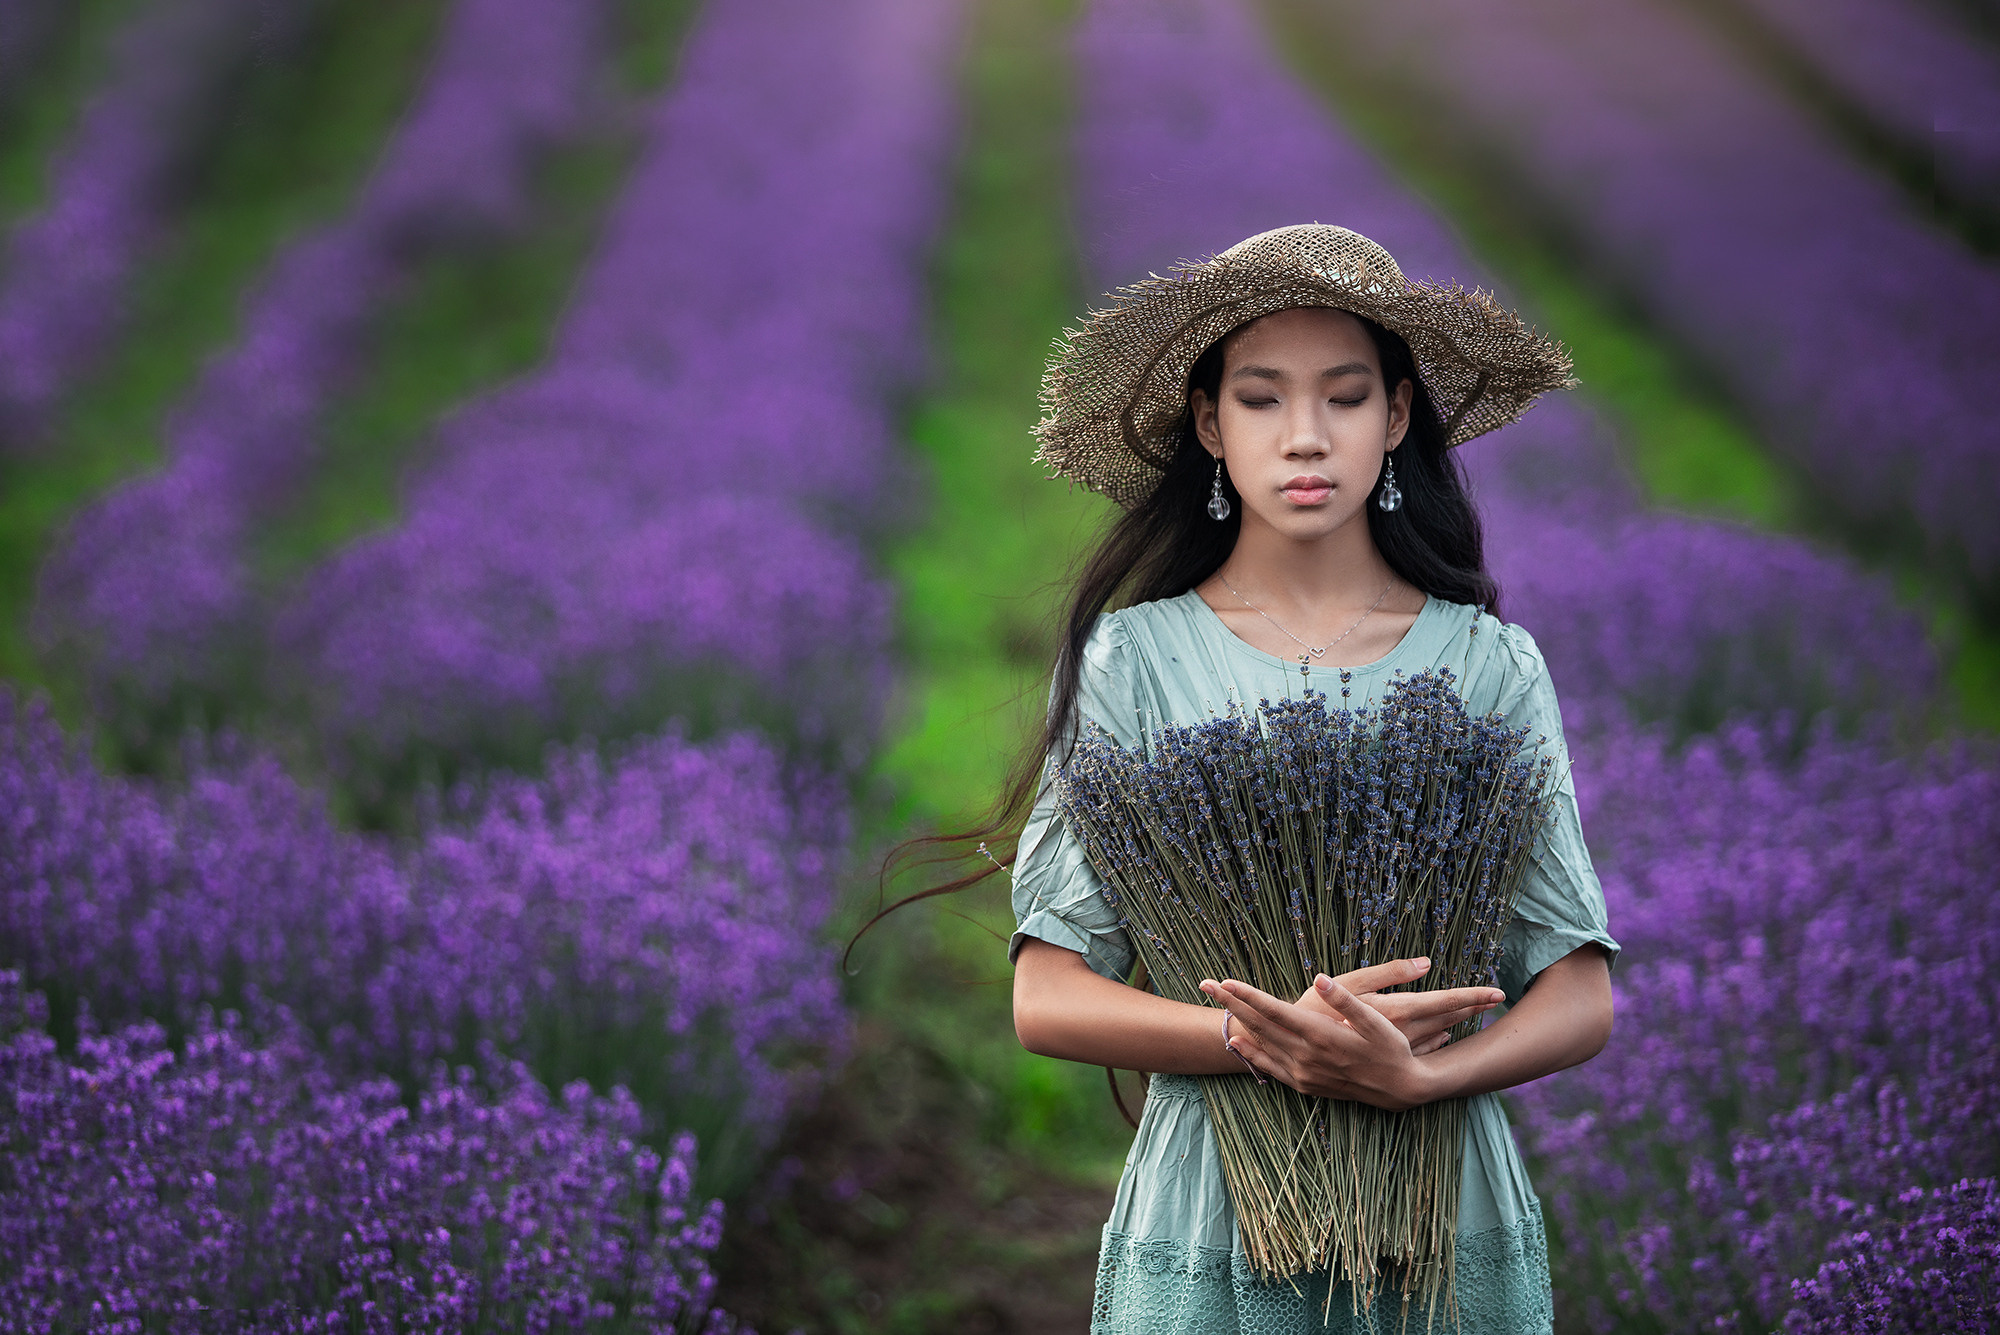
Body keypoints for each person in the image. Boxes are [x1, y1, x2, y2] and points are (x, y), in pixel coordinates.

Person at [869, 224, 1619, 1333]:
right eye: (1261, 399)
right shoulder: (1134, 661)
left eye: (1345, 396)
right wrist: (1258, 1043)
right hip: (1216, 1205)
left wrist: (1418, 1079)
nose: (1305, 437)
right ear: (1209, 424)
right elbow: (1045, 992)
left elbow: (1577, 990)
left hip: (1443, 1209)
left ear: (1397, 415)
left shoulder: (1488, 665)